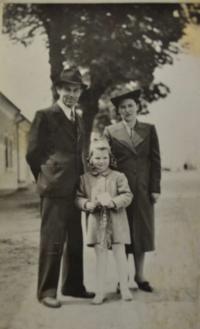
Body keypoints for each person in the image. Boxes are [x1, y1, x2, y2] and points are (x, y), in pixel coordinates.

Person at [26, 66, 94, 308]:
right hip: (54, 188)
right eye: (67, 89)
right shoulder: (45, 115)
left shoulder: (78, 117)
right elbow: (32, 153)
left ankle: (73, 286)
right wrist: (45, 178)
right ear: (58, 89)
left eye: (76, 90)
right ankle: (47, 291)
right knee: (53, 239)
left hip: (75, 187)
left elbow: (79, 152)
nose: (72, 94)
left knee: (75, 239)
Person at [104, 88, 161, 292]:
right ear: (118, 111)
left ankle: (139, 275)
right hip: (120, 192)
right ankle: (123, 276)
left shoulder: (149, 129)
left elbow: (155, 161)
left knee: (142, 233)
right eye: (122, 107)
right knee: (122, 233)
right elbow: (106, 163)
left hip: (143, 190)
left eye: (130, 106)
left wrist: (155, 188)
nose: (127, 110)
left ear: (137, 107)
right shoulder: (110, 132)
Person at [76, 140, 133, 304]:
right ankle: (99, 292)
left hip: (117, 222)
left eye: (105, 158)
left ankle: (124, 288)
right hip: (97, 224)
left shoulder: (118, 176)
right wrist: (87, 204)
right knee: (100, 258)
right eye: (97, 158)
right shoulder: (84, 179)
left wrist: (114, 202)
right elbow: (78, 198)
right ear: (90, 159)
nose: (101, 161)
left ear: (110, 158)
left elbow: (128, 195)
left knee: (120, 256)